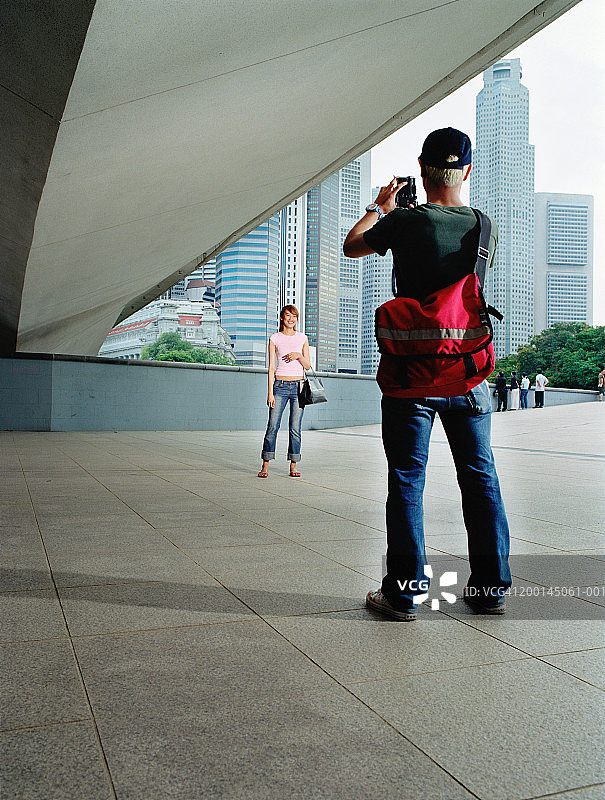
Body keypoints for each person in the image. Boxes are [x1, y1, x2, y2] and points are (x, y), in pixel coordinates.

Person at [343, 126, 511, 619]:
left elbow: (353, 246)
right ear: (468, 170)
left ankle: (403, 594)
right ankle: (489, 590)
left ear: (421, 169)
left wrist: (381, 208)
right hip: (468, 374)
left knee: (407, 481)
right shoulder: (485, 227)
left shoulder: (407, 221)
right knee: (481, 479)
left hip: (410, 376)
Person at [258, 305, 311, 478]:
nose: (291, 319)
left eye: (294, 316)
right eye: (288, 315)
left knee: (295, 428)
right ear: (282, 318)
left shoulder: (302, 338)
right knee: (273, 426)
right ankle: (265, 465)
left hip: (299, 388)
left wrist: (298, 355)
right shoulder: (275, 338)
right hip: (279, 386)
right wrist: (270, 392)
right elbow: (271, 367)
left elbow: (308, 366)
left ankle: (293, 466)